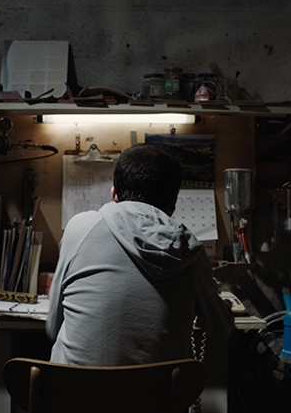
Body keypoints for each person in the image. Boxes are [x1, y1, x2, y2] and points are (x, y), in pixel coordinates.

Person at [46, 142, 234, 367]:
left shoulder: (80, 228)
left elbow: (53, 325)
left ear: (114, 193)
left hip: (72, 397)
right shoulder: (191, 252)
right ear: (174, 201)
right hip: (154, 401)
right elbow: (221, 330)